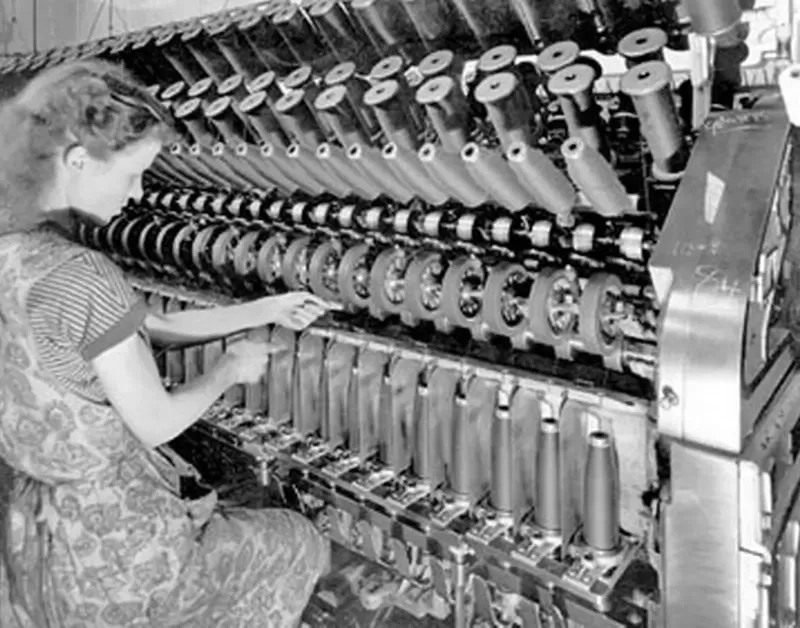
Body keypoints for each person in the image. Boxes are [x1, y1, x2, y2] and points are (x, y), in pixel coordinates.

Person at [0, 59, 333, 627]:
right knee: (299, 543)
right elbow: (155, 422)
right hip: (125, 561)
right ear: (77, 161)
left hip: (39, 546)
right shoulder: (86, 272)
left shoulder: (16, 253)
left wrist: (261, 309)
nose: (137, 194)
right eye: (132, 174)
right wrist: (229, 368)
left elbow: (133, 328)